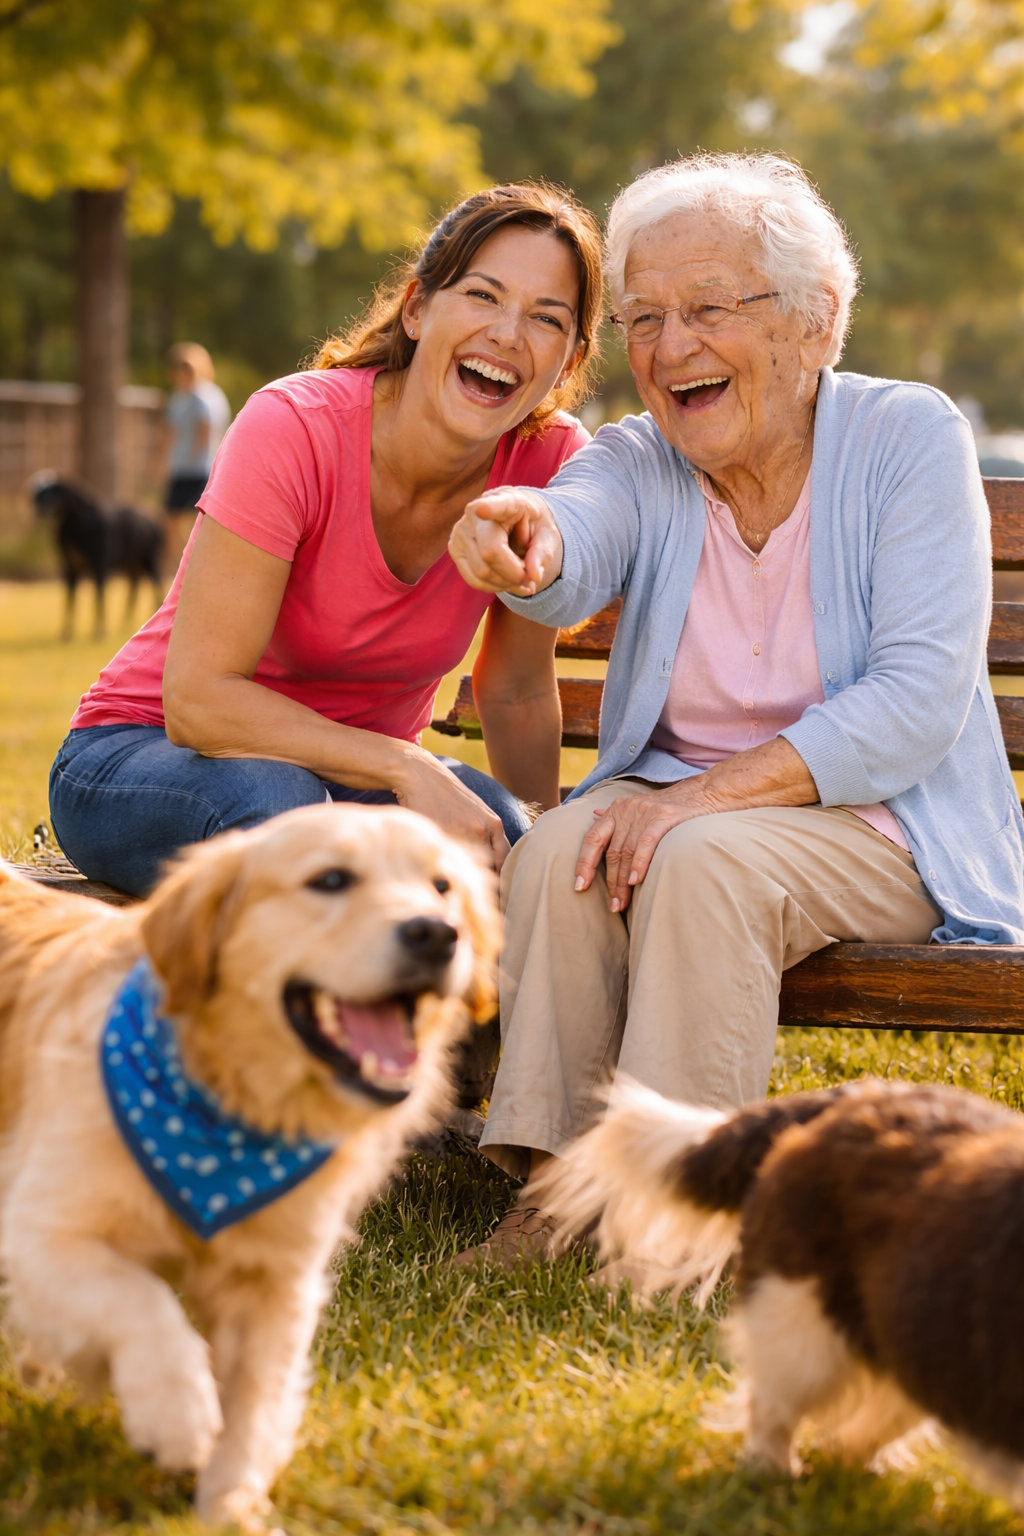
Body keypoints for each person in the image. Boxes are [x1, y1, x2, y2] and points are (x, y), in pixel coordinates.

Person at [448, 152, 1024, 1266]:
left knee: (703, 860)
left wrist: (696, 803)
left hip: (881, 823)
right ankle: (559, 1192)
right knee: (565, 843)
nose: (669, 350)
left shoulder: (906, 439)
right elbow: (574, 538)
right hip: (684, 807)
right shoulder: (637, 457)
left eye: (707, 308)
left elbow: (912, 703)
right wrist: (526, 530)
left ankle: (678, 1210)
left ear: (816, 322)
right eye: (645, 318)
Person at [49, 183, 602, 898]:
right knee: (289, 815)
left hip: (345, 785)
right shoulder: (294, 428)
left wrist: (539, 869)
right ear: (417, 309)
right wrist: (408, 767)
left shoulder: (548, 463)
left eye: (546, 318)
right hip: (145, 753)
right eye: (482, 295)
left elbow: (518, 689)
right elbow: (199, 702)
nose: (507, 334)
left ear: (570, 357)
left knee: (496, 839)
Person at [163, 342, 232, 571]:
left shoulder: (207, 396)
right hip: (180, 468)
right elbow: (170, 431)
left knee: (197, 521)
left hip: (201, 469)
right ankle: (183, 564)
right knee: (170, 520)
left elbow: (207, 430)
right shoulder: (178, 398)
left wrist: (196, 452)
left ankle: (200, 565)